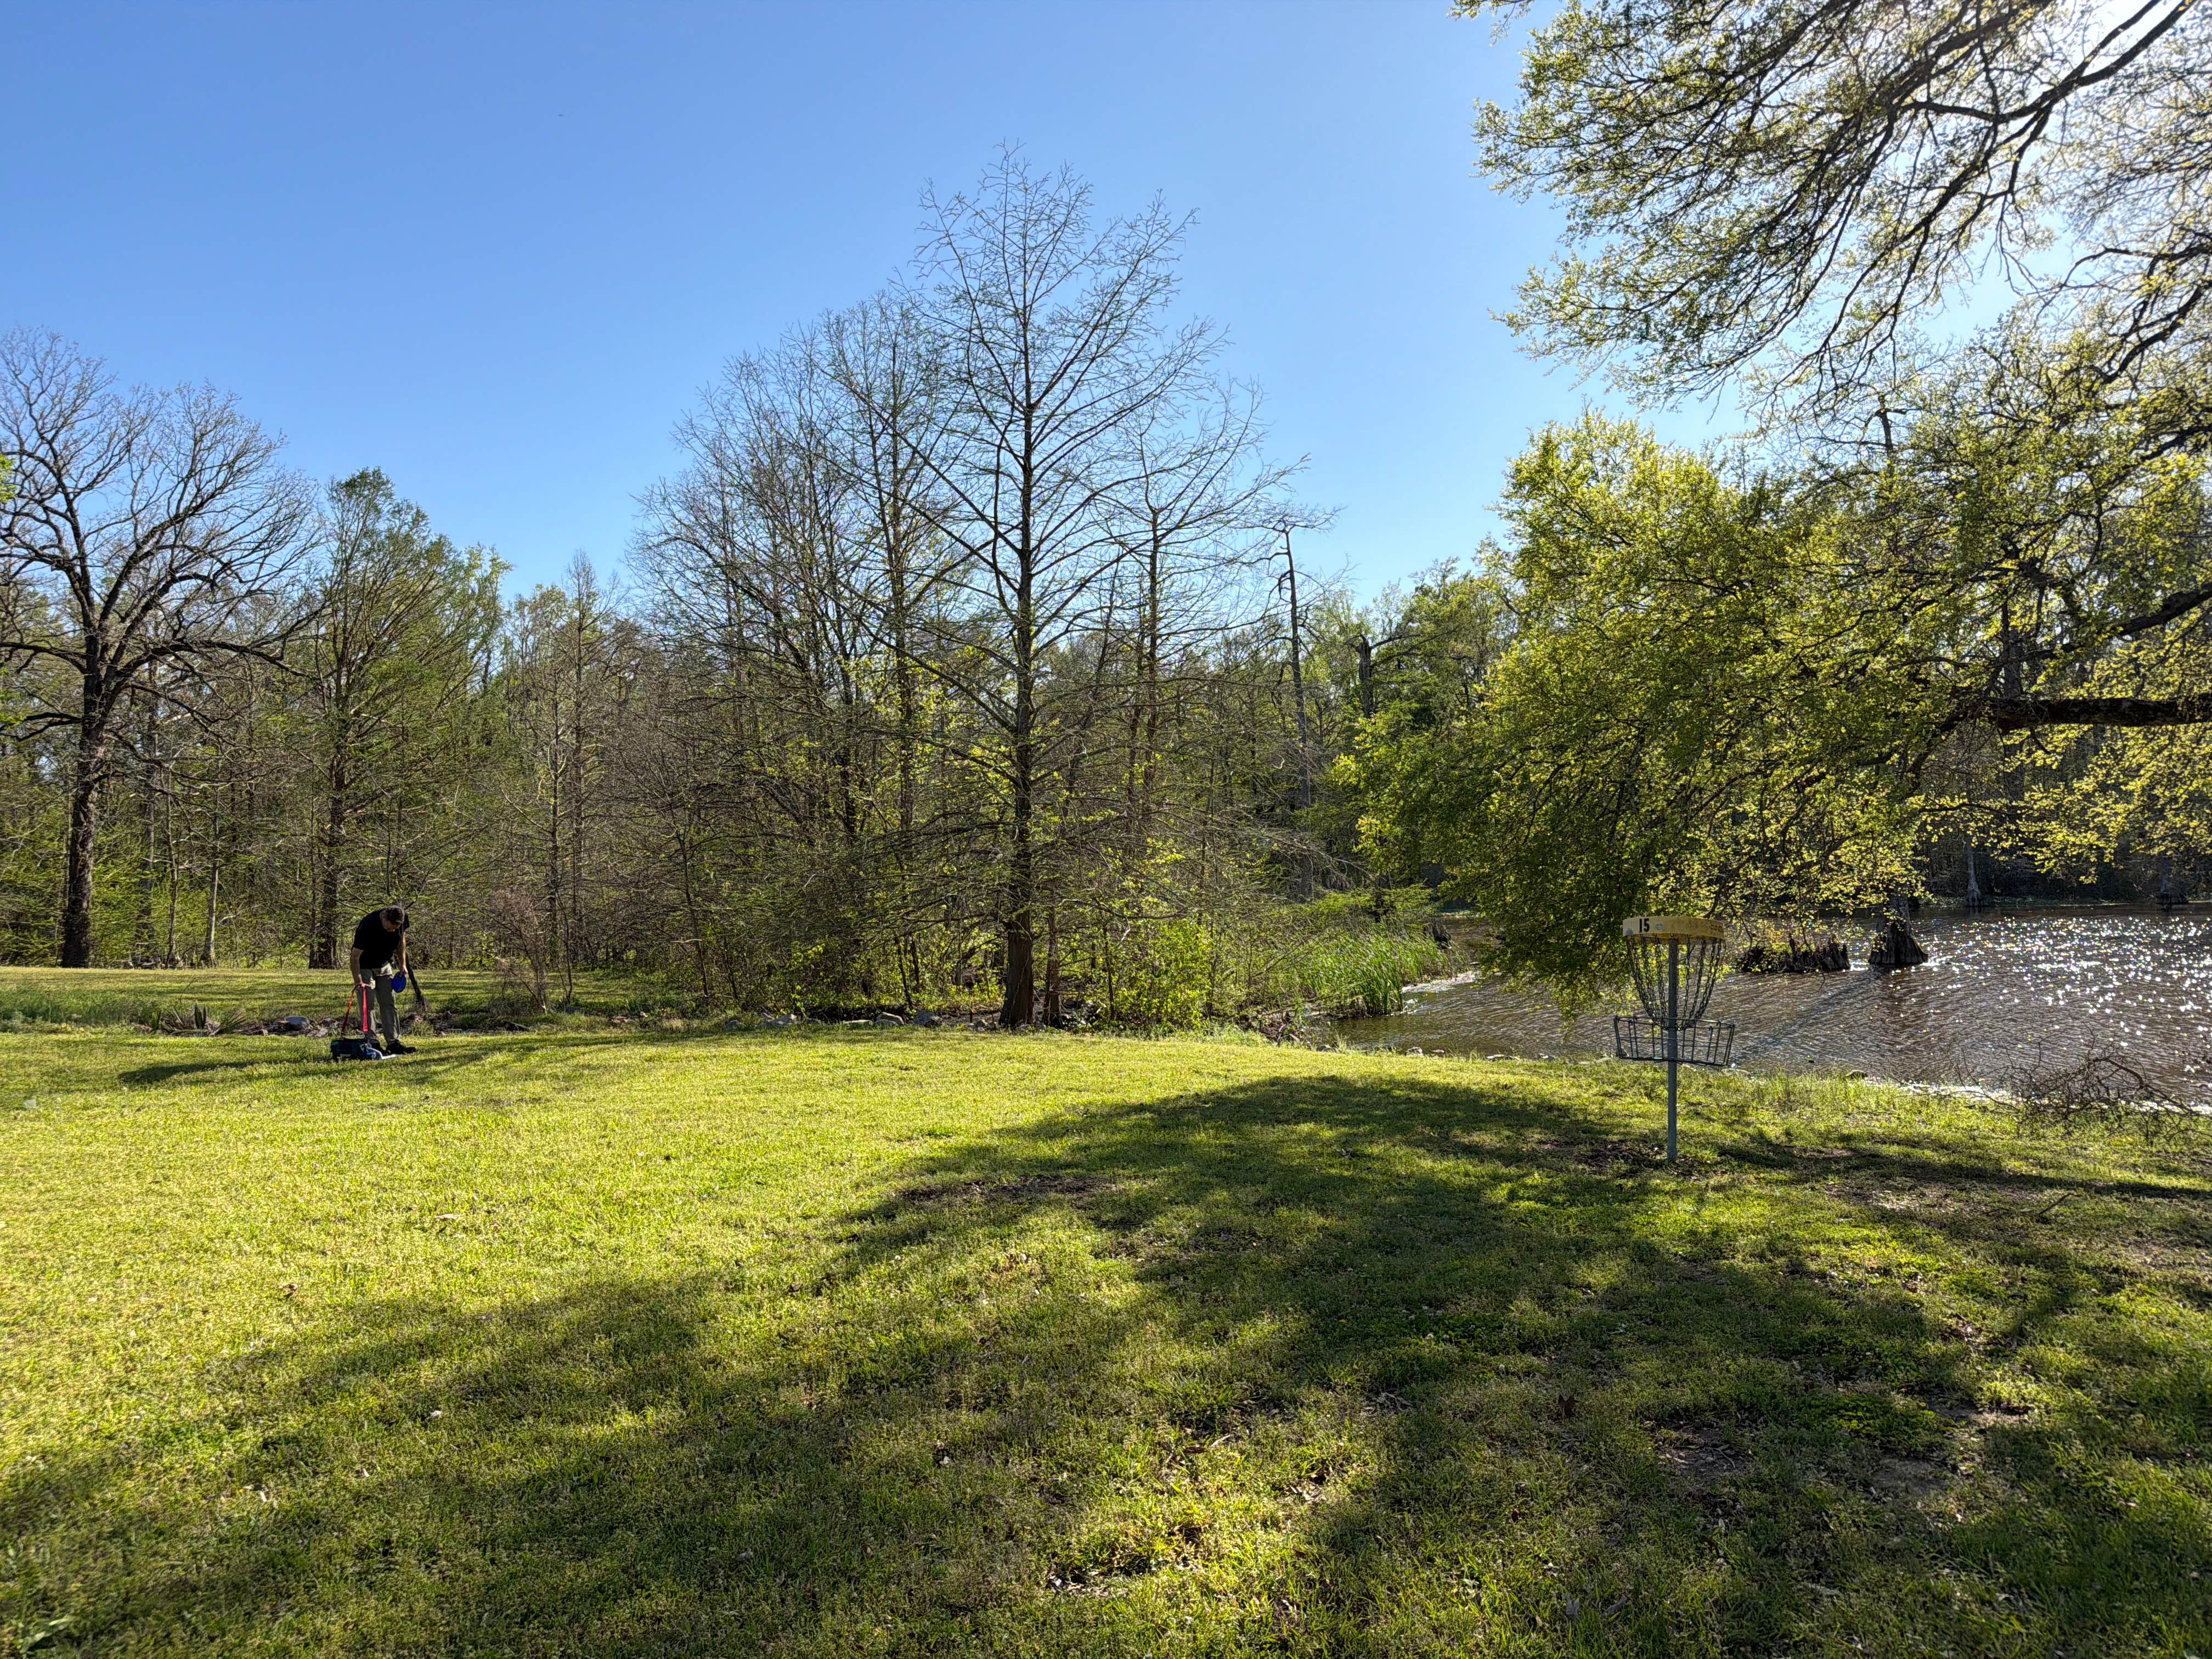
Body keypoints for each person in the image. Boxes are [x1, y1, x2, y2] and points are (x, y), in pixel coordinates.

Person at [349, 904, 418, 1054]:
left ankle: (393, 1043)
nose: (393, 930)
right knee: (368, 1006)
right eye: (390, 928)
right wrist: (358, 981)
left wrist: (403, 964)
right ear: (384, 918)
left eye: (396, 928)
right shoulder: (368, 925)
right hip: (365, 967)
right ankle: (372, 1042)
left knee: (389, 1003)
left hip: (385, 966)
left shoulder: (402, 921)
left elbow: (401, 942)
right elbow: (354, 957)